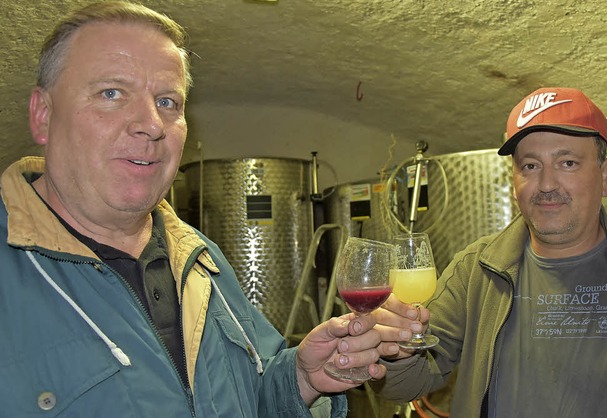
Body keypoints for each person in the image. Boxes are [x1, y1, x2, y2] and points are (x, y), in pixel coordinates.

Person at [0, 2, 388, 417]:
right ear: (42, 115)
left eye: (168, 101)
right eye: (111, 93)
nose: (151, 123)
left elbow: (251, 393)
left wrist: (302, 380)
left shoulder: (201, 258)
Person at [372, 87, 607, 417]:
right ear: (513, 181)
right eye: (529, 166)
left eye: (567, 163)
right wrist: (395, 348)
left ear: (605, 176)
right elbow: (405, 384)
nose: (545, 185)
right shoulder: (476, 271)